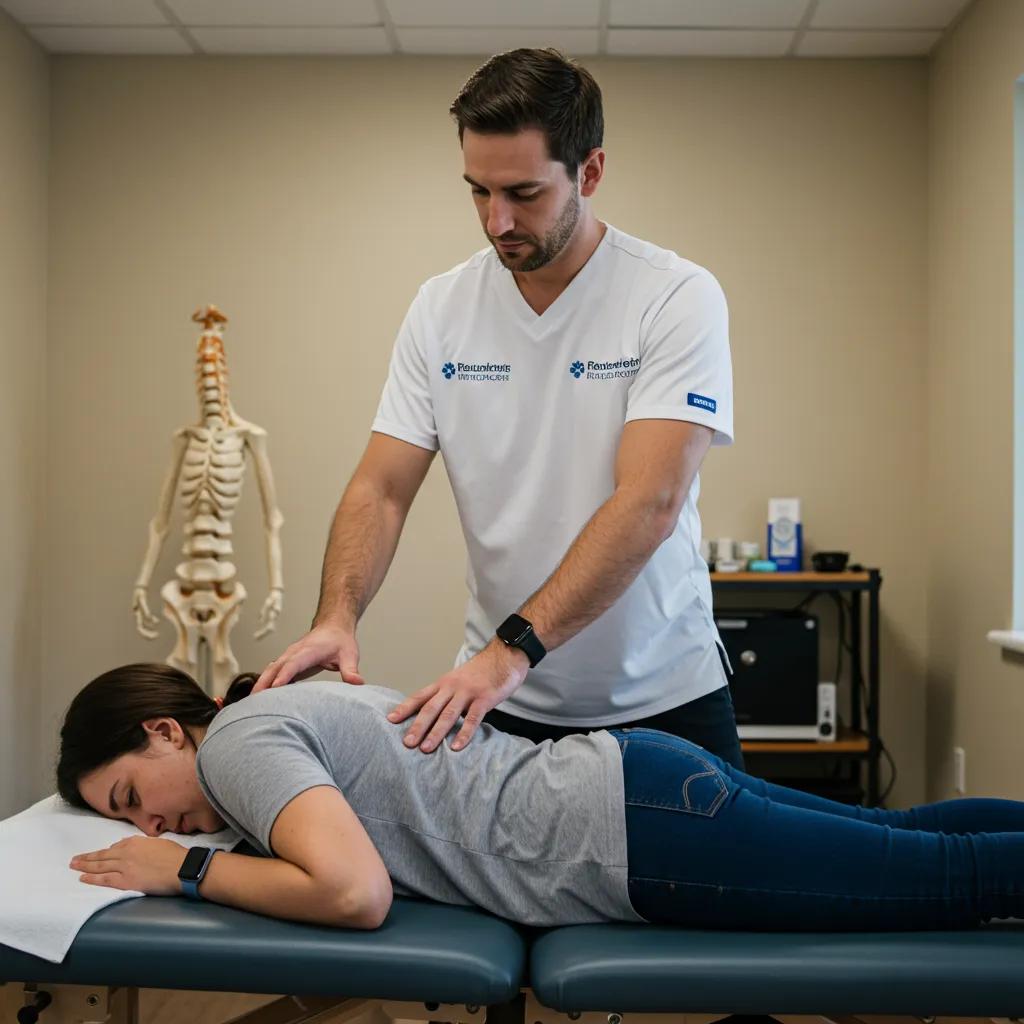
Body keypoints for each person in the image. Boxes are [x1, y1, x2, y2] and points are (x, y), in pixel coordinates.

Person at [254, 47, 743, 769]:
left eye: (523, 192)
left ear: (590, 172)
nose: (497, 219)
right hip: (503, 702)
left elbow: (650, 501)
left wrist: (510, 651)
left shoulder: (673, 296)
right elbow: (381, 489)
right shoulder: (442, 307)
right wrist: (337, 616)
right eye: (478, 192)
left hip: (663, 697)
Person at [60, 663, 1024, 932]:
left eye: (132, 795)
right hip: (639, 783)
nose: (147, 823)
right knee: (912, 841)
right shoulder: (273, 710)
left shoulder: (235, 747)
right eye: (126, 820)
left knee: (943, 881)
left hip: (633, 835)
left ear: (165, 730)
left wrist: (181, 870)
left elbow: (354, 893)